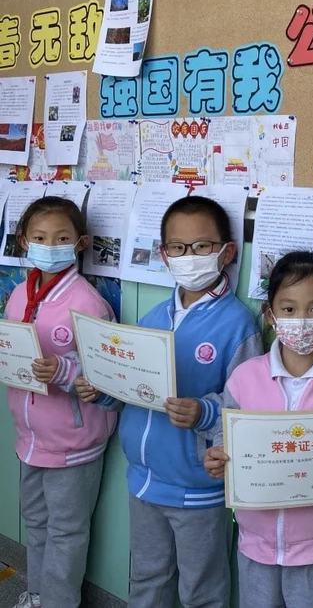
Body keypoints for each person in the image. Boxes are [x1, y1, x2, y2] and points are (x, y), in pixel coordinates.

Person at [76, 196, 261, 608]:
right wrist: (104, 390)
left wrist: (204, 412)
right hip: (143, 480)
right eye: (177, 248)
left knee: (203, 589)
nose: (188, 256)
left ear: (226, 252)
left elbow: (247, 408)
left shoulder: (238, 324)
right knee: (147, 579)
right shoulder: (155, 317)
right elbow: (132, 388)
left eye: (200, 247)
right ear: (163, 254)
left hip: (198, 487)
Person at [204, 251, 313, 608]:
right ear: (271, 314)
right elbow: (225, 430)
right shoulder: (245, 377)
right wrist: (219, 455)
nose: (303, 320)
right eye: (289, 309)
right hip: (255, 545)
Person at [5, 197, 116, 608]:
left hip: (74, 442)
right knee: (35, 520)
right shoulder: (19, 293)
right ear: (23, 241)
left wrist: (65, 372)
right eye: (39, 237)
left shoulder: (88, 304)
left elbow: (107, 377)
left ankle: (58, 602)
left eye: (62, 238)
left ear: (80, 243)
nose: (50, 245)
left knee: (67, 531)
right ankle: (36, 593)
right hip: (29, 436)